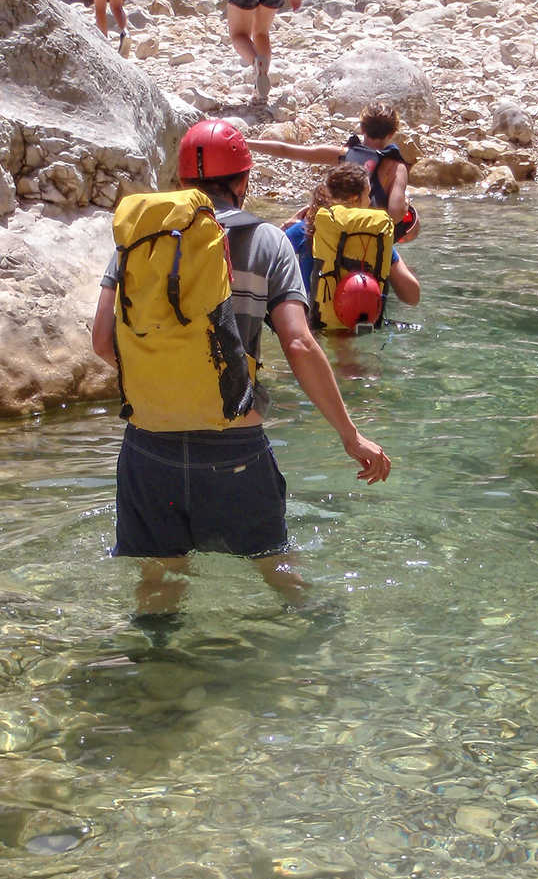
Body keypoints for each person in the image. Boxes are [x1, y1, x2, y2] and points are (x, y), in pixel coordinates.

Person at [91, 120, 390, 612]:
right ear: (244, 180)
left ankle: (152, 679)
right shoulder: (269, 242)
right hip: (235, 445)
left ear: (183, 182)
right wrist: (350, 434)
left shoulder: (139, 241)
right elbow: (298, 343)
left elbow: (103, 341)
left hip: (148, 447)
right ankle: (320, 662)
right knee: (281, 576)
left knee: (158, 587)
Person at [250, 102, 414, 239]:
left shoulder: (344, 154)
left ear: (362, 128)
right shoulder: (396, 168)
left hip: (332, 231)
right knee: (415, 226)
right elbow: (395, 213)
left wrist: (246, 142)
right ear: (392, 133)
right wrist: (406, 206)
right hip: (367, 238)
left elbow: (288, 151)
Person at [285, 165, 421, 323]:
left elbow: (267, 254)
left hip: (317, 326)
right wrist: (388, 248)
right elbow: (412, 296)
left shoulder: (306, 229)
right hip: (364, 327)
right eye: (368, 195)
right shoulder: (376, 235)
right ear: (355, 199)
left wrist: (286, 225)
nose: (370, 201)